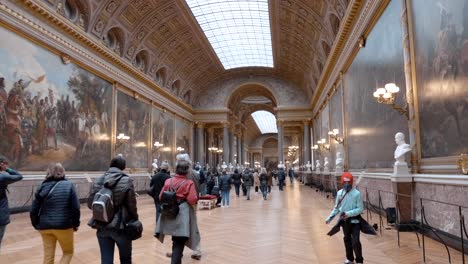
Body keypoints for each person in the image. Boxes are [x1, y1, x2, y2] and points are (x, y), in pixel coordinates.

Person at [87, 155, 138, 264]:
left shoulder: (98, 179)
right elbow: (131, 206)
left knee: (106, 260)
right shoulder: (126, 180)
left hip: (102, 225)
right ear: (123, 167)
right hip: (121, 227)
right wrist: (134, 220)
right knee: (125, 259)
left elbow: (90, 203)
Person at [30, 163, 80, 264]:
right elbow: (75, 208)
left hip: (45, 226)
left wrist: (36, 224)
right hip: (64, 226)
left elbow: (33, 209)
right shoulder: (69, 185)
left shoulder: (42, 186)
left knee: (48, 256)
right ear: (62, 172)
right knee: (68, 253)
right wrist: (75, 224)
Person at [156, 154, 199, 264]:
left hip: (169, 213)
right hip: (182, 215)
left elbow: (161, 197)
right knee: (179, 241)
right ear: (187, 171)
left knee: (176, 240)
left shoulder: (168, 181)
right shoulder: (189, 183)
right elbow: (192, 199)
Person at [325, 172, 364, 264]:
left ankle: (359, 260)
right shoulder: (339, 193)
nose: (347, 185)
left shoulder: (357, 194)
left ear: (351, 183)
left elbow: (360, 208)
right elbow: (337, 208)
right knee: (347, 239)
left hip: (355, 220)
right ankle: (350, 258)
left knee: (356, 241)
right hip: (344, 221)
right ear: (342, 183)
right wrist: (330, 218)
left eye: (348, 183)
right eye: (345, 183)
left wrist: (349, 213)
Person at [0, 155, 23, 250]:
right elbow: (19, 176)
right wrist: (8, 169)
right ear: (2, 164)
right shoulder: (3, 176)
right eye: (6, 164)